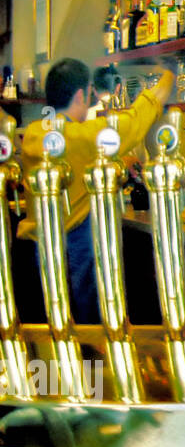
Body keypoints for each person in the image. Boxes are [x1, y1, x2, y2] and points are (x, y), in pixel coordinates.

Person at [16, 59, 175, 325]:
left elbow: (77, 164)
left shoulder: (36, 132)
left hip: (34, 250)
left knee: (53, 330)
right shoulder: (81, 135)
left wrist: (120, 163)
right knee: (86, 330)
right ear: (82, 93)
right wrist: (170, 73)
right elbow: (135, 122)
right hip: (72, 250)